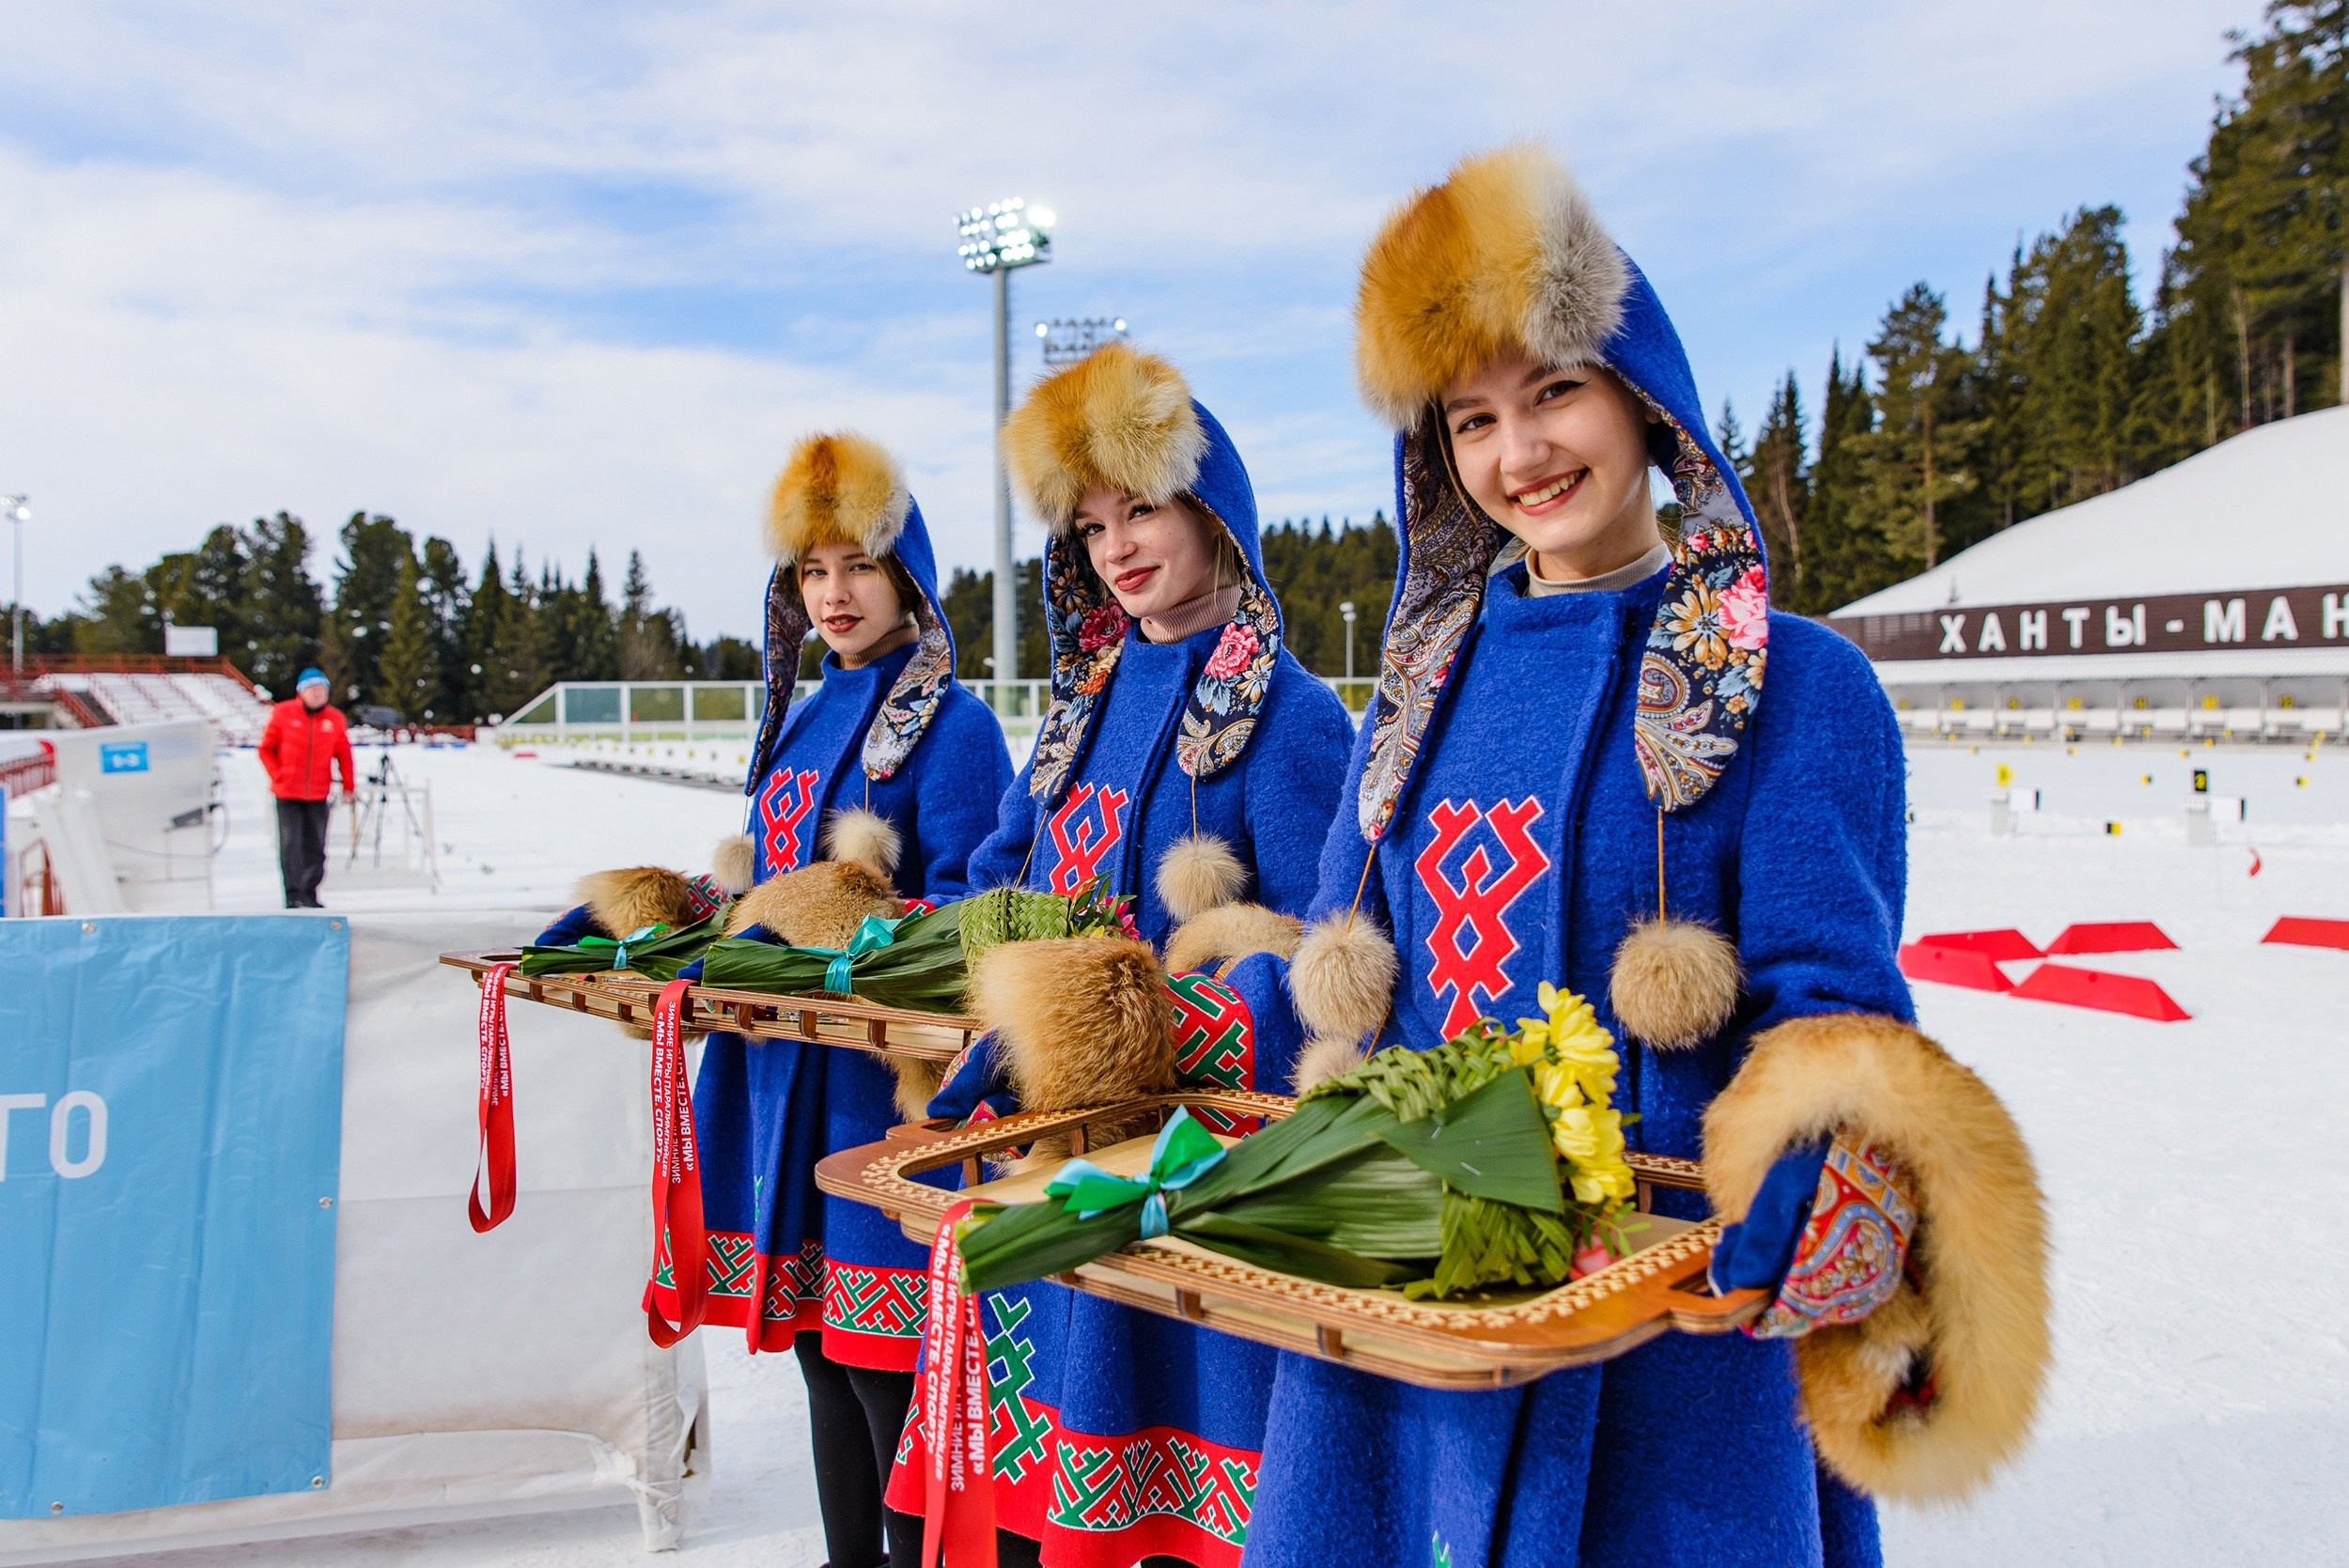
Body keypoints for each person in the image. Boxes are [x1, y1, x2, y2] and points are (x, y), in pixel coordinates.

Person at [1174, 146, 2050, 1568]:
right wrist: (1119, 1030)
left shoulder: (1797, 685)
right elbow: (1332, 980)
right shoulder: (1411, 697)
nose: (1519, 455)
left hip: (1674, 1344)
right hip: (1412, 1317)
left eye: (1554, 392)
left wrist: (1829, 1153)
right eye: (1471, 419)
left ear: (1647, 401)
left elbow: (1832, 1001)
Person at [894, 343, 1356, 1568]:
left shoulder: (1292, 712)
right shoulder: (1081, 704)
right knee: (1058, 1509)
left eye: (1142, 506)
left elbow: (1333, 948)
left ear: (1214, 509)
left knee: (1180, 1516)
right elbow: (996, 876)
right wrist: (1019, 997)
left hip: (1199, 1170)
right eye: (1090, 524)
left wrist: (1160, 1010)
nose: (1118, 545)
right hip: (1055, 1147)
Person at [692, 432, 1012, 1568]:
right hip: (780, 1077)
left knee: (887, 1370)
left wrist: (844, 928)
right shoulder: (795, 715)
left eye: (859, 566)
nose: (833, 593)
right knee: (819, 1355)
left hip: (872, 1094)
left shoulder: (957, 728)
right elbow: (770, 876)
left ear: (908, 578)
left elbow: (976, 909)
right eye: (812, 571)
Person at [256, 666, 354, 908]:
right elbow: (266, 749)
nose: (318, 694)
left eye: (322, 690)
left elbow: (344, 753)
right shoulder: (283, 713)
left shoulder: (334, 719)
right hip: (287, 792)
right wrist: (277, 775)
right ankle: (293, 894)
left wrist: (349, 785)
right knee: (291, 845)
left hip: (318, 793)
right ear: (302, 692)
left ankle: (310, 892)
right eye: (313, 689)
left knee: (316, 846)